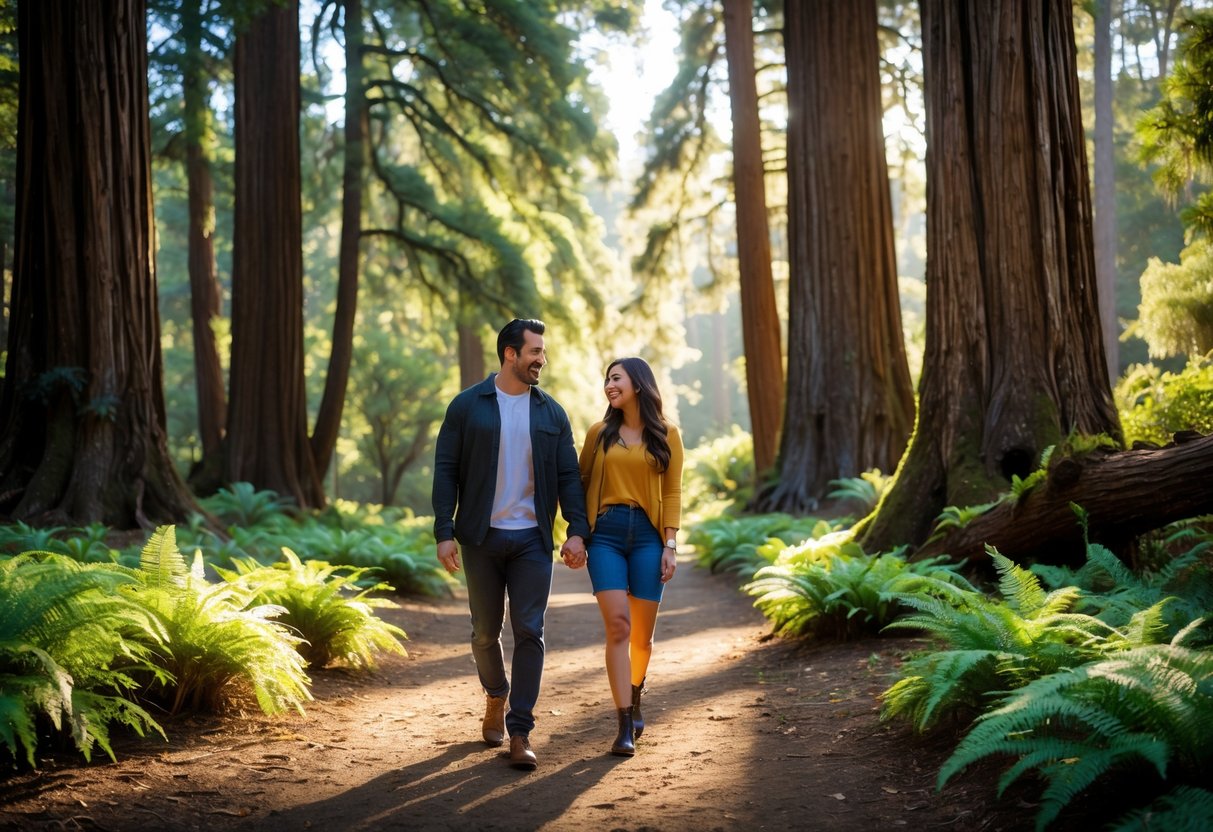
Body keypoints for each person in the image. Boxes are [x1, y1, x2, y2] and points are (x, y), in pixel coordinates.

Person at [432, 318, 590, 771]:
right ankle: (496, 693)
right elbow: (445, 470)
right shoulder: (467, 407)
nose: (541, 359)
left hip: (532, 541)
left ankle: (520, 731)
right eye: (534, 351)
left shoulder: (552, 414)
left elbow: (567, 478)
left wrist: (576, 529)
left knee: (529, 631)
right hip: (480, 537)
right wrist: (445, 530)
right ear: (510, 354)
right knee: (484, 633)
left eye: (542, 352)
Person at [577, 356, 683, 757]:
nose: (609, 384)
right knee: (618, 626)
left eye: (616, 377)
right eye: (606, 379)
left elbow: (672, 493)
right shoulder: (599, 433)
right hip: (604, 534)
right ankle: (623, 722)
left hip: (648, 537)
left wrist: (670, 544)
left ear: (638, 383)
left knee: (643, 637)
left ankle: (636, 697)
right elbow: (579, 482)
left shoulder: (667, 435)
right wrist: (575, 532)